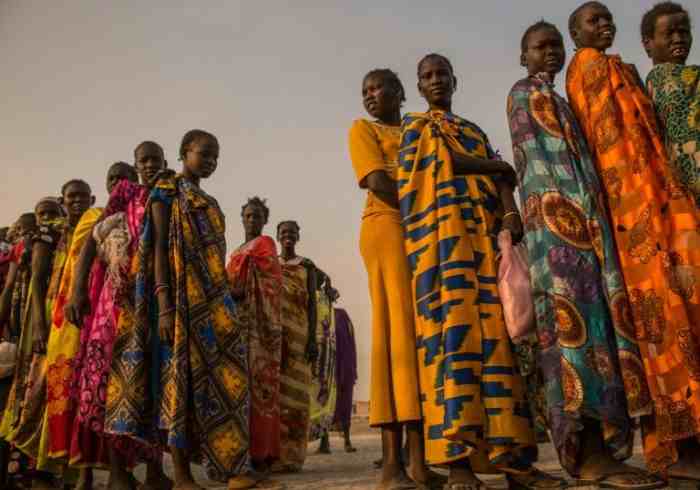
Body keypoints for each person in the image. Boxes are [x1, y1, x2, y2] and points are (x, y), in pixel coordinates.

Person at [399, 53, 567, 490]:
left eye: (442, 74)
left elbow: (505, 176)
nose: (436, 80)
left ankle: (513, 462)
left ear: (456, 79)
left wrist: (511, 215)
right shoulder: (415, 129)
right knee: (453, 345)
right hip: (442, 250)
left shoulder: (472, 131)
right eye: (427, 75)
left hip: (486, 243)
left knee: (499, 348)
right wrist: (494, 167)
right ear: (419, 86)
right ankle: (458, 464)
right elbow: (438, 169)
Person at [508, 21, 663, 489]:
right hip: (556, 235)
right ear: (524, 56)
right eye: (540, 47)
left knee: (597, 337)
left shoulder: (561, 101)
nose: (551, 53)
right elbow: (542, 166)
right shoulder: (523, 94)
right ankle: (590, 457)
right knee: (574, 342)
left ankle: (603, 451)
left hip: (582, 231)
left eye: (556, 45)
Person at [566, 1, 700, 480]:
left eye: (607, 19)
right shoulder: (585, 71)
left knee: (686, 307)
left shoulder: (624, 71)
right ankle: (681, 451)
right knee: (662, 319)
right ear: (574, 32)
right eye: (592, 20)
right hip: (630, 209)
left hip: (661, 196)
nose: (604, 25)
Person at [107, 130, 252, 490]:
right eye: (204, 154)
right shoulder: (166, 193)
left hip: (212, 306)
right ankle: (184, 476)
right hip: (176, 304)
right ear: (184, 153)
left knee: (226, 377)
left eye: (215, 156)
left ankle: (232, 466)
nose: (211, 161)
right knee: (178, 382)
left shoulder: (210, 202)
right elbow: (156, 250)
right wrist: (164, 303)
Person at [348, 67, 432, 489]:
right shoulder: (363, 129)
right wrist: (432, 206)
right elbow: (378, 181)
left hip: (424, 231)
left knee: (419, 335)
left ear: (400, 92)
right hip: (387, 226)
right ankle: (390, 465)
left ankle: (419, 462)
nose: (368, 96)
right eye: (364, 90)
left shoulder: (420, 128)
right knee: (395, 334)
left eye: (376, 87)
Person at [65, 150, 170, 490]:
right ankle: (117, 473)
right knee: (106, 388)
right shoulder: (112, 216)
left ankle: (154, 470)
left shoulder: (163, 202)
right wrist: (77, 292)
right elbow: (87, 253)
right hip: (111, 312)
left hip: (151, 307)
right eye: (144, 161)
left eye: (156, 160)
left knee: (152, 384)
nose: (150, 166)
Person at [0, 194, 74, 487]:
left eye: (51, 211)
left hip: (50, 322)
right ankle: (27, 471)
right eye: (41, 212)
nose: (46, 217)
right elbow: (28, 285)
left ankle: (45, 468)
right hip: (34, 324)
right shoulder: (32, 244)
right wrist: (38, 327)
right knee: (29, 394)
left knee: (43, 393)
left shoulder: (62, 238)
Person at [226, 197, 282, 479]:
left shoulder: (266, 245)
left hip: (259, 329)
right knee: (238, 388)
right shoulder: (236, 250)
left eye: (257, 216)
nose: (252, 220)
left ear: (264, 219)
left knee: (259, 389)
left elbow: (269, 283)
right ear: (242, 218)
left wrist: (234, 291)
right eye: (248, 215)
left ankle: (262, 455)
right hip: (236, 325)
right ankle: (240, 453)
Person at [643, 2, 699, 207]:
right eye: (669, 33)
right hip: (684, 189)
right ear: (648, 43)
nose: (678, 39)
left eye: (683, 32)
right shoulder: (658, 79)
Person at [274, 220, 318, 471]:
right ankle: (277, 456)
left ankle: (294, 458)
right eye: (284, 232)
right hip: (276, 337)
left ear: (298, 236)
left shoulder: (307, 266)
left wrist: (313, 339)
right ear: (278, 236)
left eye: (292, 232)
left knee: (298, 399)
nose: (288, 236)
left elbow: (312, 303)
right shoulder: (270, 263)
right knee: (277, 398)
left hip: (301, 337)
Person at [331, 306, 358, 453]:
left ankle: (347, 440)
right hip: (330, 366)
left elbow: (349, 341)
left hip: (343, 366)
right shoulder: (328, 313)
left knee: (345, 401)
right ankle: (325, 442)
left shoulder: (341, 315)